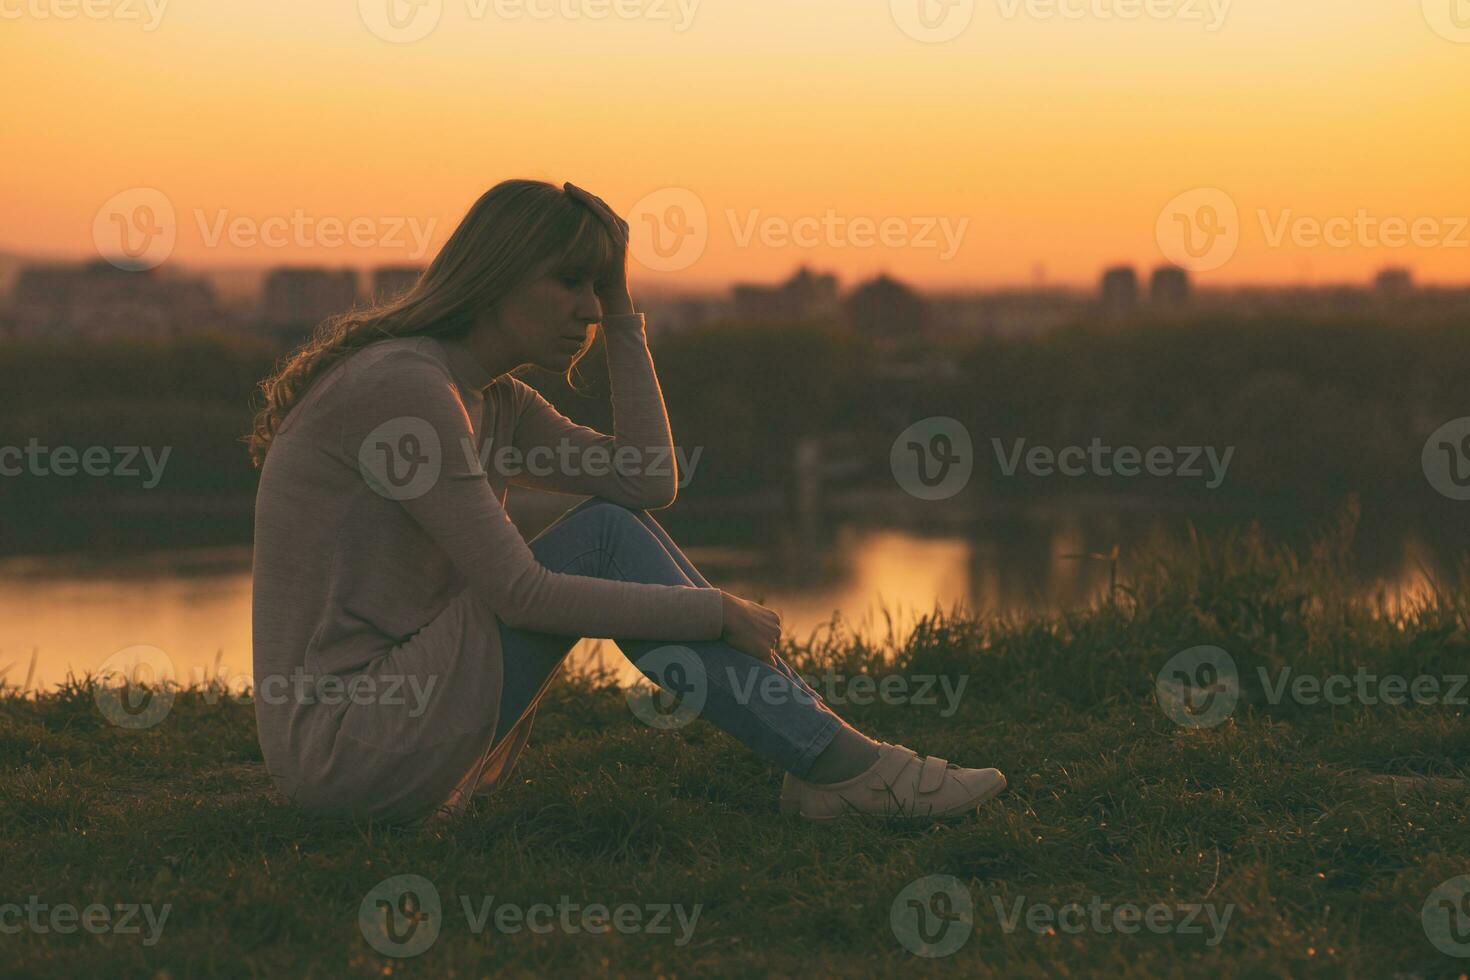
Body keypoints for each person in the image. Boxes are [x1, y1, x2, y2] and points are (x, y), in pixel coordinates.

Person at [245, 178, 1006, 824]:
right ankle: (843, 768)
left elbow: (647, 479)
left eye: (596, 286)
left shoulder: (491, 399)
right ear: (498, 276)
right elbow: (520, 596)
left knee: (615, 519)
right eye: (569, 282)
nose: (585, 307)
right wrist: (715, 611)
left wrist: (621, 311)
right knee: (601, 535)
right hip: (345, 748)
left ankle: (829, 760)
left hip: (393, 728)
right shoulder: (405, 389)